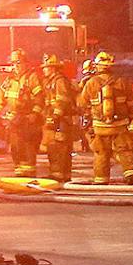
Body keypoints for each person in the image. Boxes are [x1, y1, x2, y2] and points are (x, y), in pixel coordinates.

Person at [77, 50, 133, 186]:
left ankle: (101, 179)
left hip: (100, 127)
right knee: (125, 151)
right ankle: (131, 176)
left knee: (101, 153)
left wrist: (89, 121)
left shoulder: (91, 83)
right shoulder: (122, 82)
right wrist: (131, 119)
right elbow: (132, 103)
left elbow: (82, 104)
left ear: (97, 67)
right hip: (120, 125)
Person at [34, 51, 78, 185]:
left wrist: (55, 116)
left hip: (61, 121)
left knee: (59, 148)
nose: (44, 70)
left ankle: (60, 175)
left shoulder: (59, 81)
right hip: (54, 118)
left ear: (53, 68)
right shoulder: (50, 81)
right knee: (53, 147)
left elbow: (62, 100)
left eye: (46, 67)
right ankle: (59, 174)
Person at [0, 48, 42, 176]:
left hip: (27, 120)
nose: (15, 66)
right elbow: (1, 97)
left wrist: (34, 114)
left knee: (28, 146)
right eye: (13, 63)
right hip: (14, 120)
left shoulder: (31, 78)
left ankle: (29, 173)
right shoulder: (9, 80)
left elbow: (40, 98)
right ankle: (19, 171)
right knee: (15, 146)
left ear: (25, 63)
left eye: (18, 63)